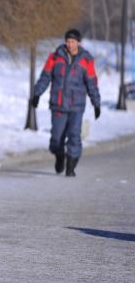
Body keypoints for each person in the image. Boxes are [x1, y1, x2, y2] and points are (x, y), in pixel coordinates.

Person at [31, 29, 101, 177]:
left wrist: (96, 103)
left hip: (77, 106)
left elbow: (92, 83)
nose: (70, 44)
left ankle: (70, 166)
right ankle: (60, 156)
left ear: (78, 42)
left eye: (73, 42)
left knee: (74, 135)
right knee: (56, 138)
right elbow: (45, 77)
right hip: (58, 104)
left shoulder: (86, 60)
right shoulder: (54, 57)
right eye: (68, 41)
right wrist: (37, 94)